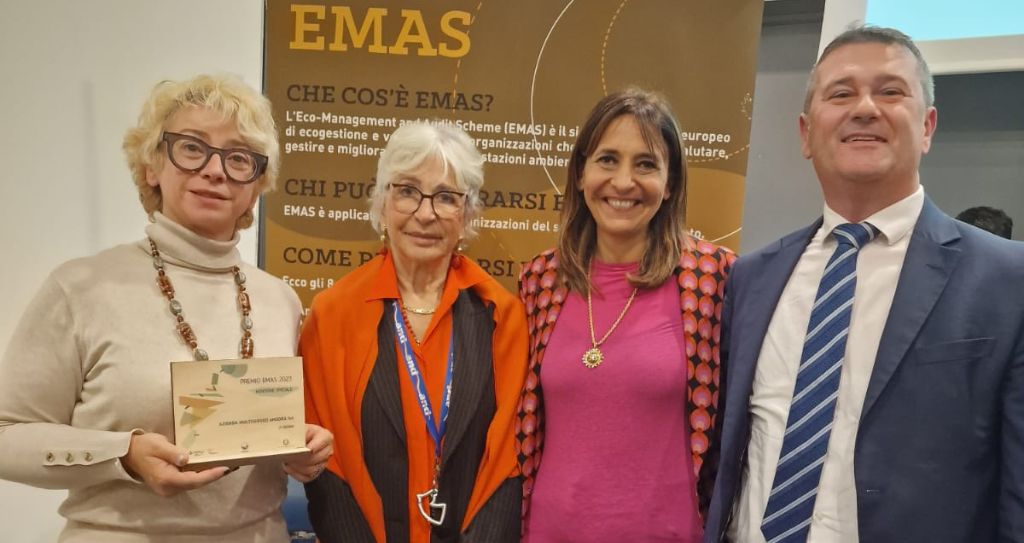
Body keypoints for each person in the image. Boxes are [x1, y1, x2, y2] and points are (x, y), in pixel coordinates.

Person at [705, 26, 1024, 543]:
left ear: (927, 126)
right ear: (806, 133)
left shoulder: (1008, 281)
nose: (865, 108)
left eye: (890, 91)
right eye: (841, 93)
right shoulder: (752, 277)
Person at [0, 74, 333, 541]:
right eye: (192, 148)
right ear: (152, 165)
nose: (215, 170)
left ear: (257, 186)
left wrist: (304, 451)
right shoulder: (80, 288)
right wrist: (122, 454)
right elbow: (7, 434)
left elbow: (269, 436)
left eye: (239, 158)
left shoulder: (280, 300)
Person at [515, 89, 736, 542]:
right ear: (581, 174)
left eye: (646, 164)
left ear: (670, 183)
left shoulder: (715, 280)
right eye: (607, 160)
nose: (623, 182)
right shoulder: (540, 280)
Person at [300, 121, 528, 542]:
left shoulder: (502, 318)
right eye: (407, 191)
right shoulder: (333, 315)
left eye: (446, 197)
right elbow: (328, 465)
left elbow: (507, 463)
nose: (425, 213)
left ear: (466, 215)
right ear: (382, 204)